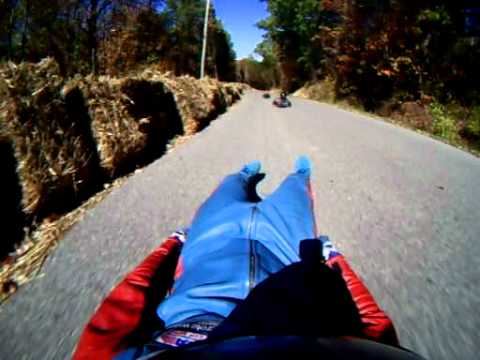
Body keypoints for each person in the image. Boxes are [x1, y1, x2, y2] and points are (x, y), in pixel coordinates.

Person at [74, 157, 420, 359]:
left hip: (210, 246)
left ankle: (244, 174)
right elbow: (373, 327)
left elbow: (120, 309)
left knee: (228, 188)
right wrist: (335, 259)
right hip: (288, 254)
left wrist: (172, 244)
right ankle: (298, 173)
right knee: (295, 193)